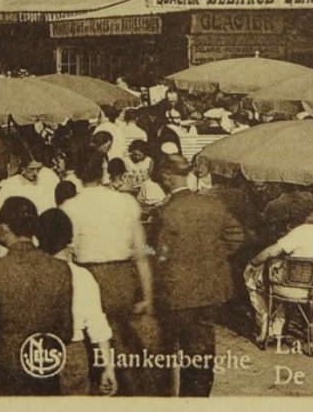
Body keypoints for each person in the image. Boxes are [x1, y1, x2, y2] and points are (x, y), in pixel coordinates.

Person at [148, 153, 246, 396]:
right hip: (210, 288)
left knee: (169, 348)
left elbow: (158, 254)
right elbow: (236, 235)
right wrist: (212, 257)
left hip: (176, 291)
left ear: (167, 178)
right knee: (202, 349)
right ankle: (199, 399)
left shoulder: (165, 212)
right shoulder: (212, 204)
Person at [59, 149, 156, 394]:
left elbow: (67, 253)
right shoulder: (125, 202)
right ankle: (130, 395)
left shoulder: (70, 207)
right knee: (124, 341)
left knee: (91, 338)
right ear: (103, 170)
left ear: (76, 174)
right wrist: (147, 294)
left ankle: (98, 389)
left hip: (87, 275)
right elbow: (141, 253)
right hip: (123, 276)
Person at [0, 197, 73, 396]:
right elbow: (65, 330)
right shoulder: (60, 270)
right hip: (41, 367)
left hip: (0, 372)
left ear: (5, 227)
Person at [244, 195, 313, 344]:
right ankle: (279, 325)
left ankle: (266, 325)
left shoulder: (303, 231)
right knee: (276, 275)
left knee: (252, 276)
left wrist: (252, 263)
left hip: (289, 289)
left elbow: (271, 251)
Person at [35, 207, 117, 397]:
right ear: (70, 238)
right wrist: (108, 368)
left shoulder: (31, 274)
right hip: (73, 351)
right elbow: (98, 326)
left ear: (38, 238)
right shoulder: (82, 276)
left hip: (37, 351)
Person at [0, 151, 59, 217]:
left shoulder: (48, 178)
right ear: (23, 168)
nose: (36, 173)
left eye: (39, 169)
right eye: (31, 169)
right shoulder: (12, 183)